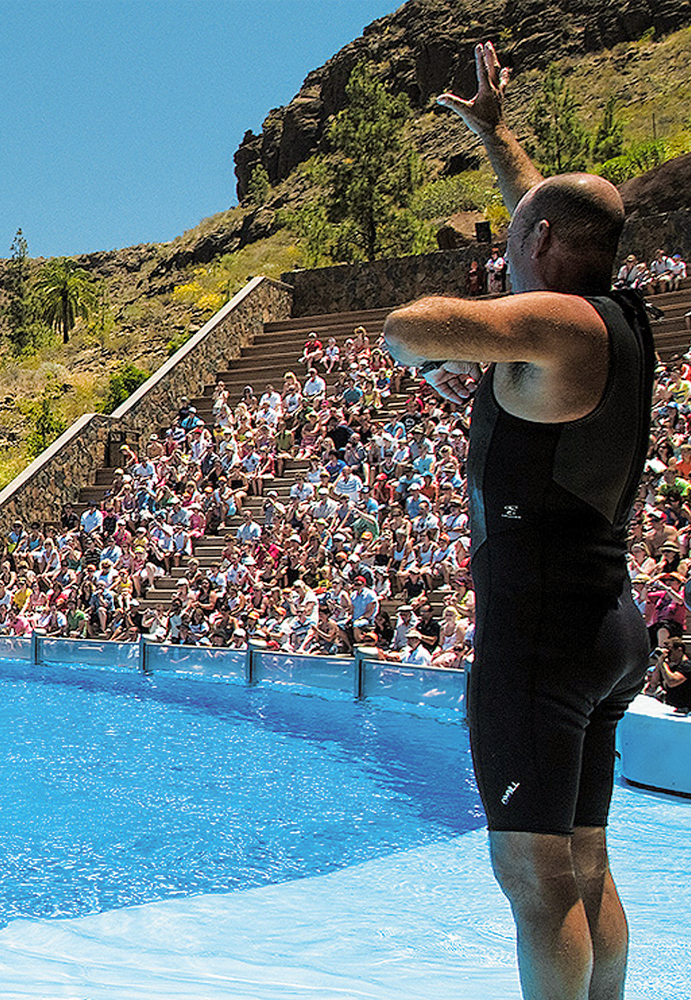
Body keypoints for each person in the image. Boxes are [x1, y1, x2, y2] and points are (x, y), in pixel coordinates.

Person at [383, 41, 652, 1000]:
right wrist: (496, 138)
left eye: (514, 241)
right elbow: (548, 212)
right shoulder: (608, 314)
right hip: (604, 619)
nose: (503, 246)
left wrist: (439, 353)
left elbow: (410, 324)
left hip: (541, 633)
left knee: (536, 879)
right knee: (584, 862)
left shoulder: (560, 325)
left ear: (537, 253)